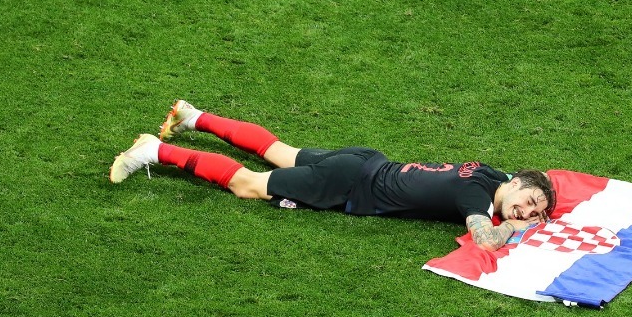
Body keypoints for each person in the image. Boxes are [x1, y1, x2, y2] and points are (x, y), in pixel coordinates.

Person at [110, 100, 556, 251]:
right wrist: (514, 227)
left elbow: (525, 185)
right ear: (516, 184)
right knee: (248, 184)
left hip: (365, 160)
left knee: (277, 151)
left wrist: (534, 203)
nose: (528, 211)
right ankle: (153, 150)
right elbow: (486, 240)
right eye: (530, 202)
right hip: (349, 183)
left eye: (535, 210)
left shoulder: (492, 176)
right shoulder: (475, 198)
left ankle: (192, 116)